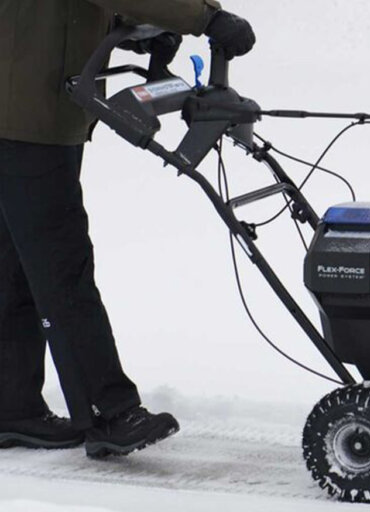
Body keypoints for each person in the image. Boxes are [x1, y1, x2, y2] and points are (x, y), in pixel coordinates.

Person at [0, 0, 255, 457]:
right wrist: (205, 17)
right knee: (61, 266)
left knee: (16, 262)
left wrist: (132, 28)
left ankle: (12, 405)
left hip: (25, 109)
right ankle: (110, 412)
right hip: (27, 120)